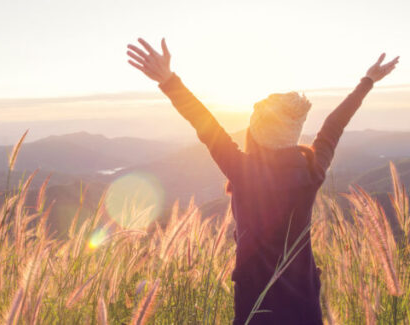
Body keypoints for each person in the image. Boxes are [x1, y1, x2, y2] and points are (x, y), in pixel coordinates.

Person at [126, 38, 399, 325]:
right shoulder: (312, 171)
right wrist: (368, 80)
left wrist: (169, 81)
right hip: (305, 310)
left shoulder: (242, 171)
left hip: (255, 310)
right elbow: (334, 125)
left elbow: (205, 124)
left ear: (255, 132)